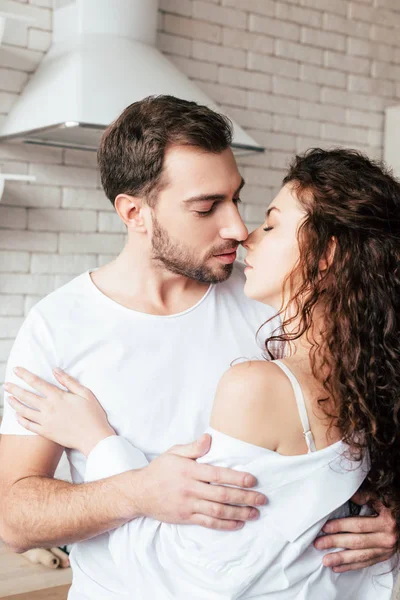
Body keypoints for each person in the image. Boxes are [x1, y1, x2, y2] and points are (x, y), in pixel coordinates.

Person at [0, 98, 396, 597]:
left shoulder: (275, 296)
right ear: (135, 213)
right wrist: (137, 493)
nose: (237, 227)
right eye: (207, 207)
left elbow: (373, 401)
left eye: (236, 197)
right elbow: (14, 520)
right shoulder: (60, 326)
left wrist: (392, 513)